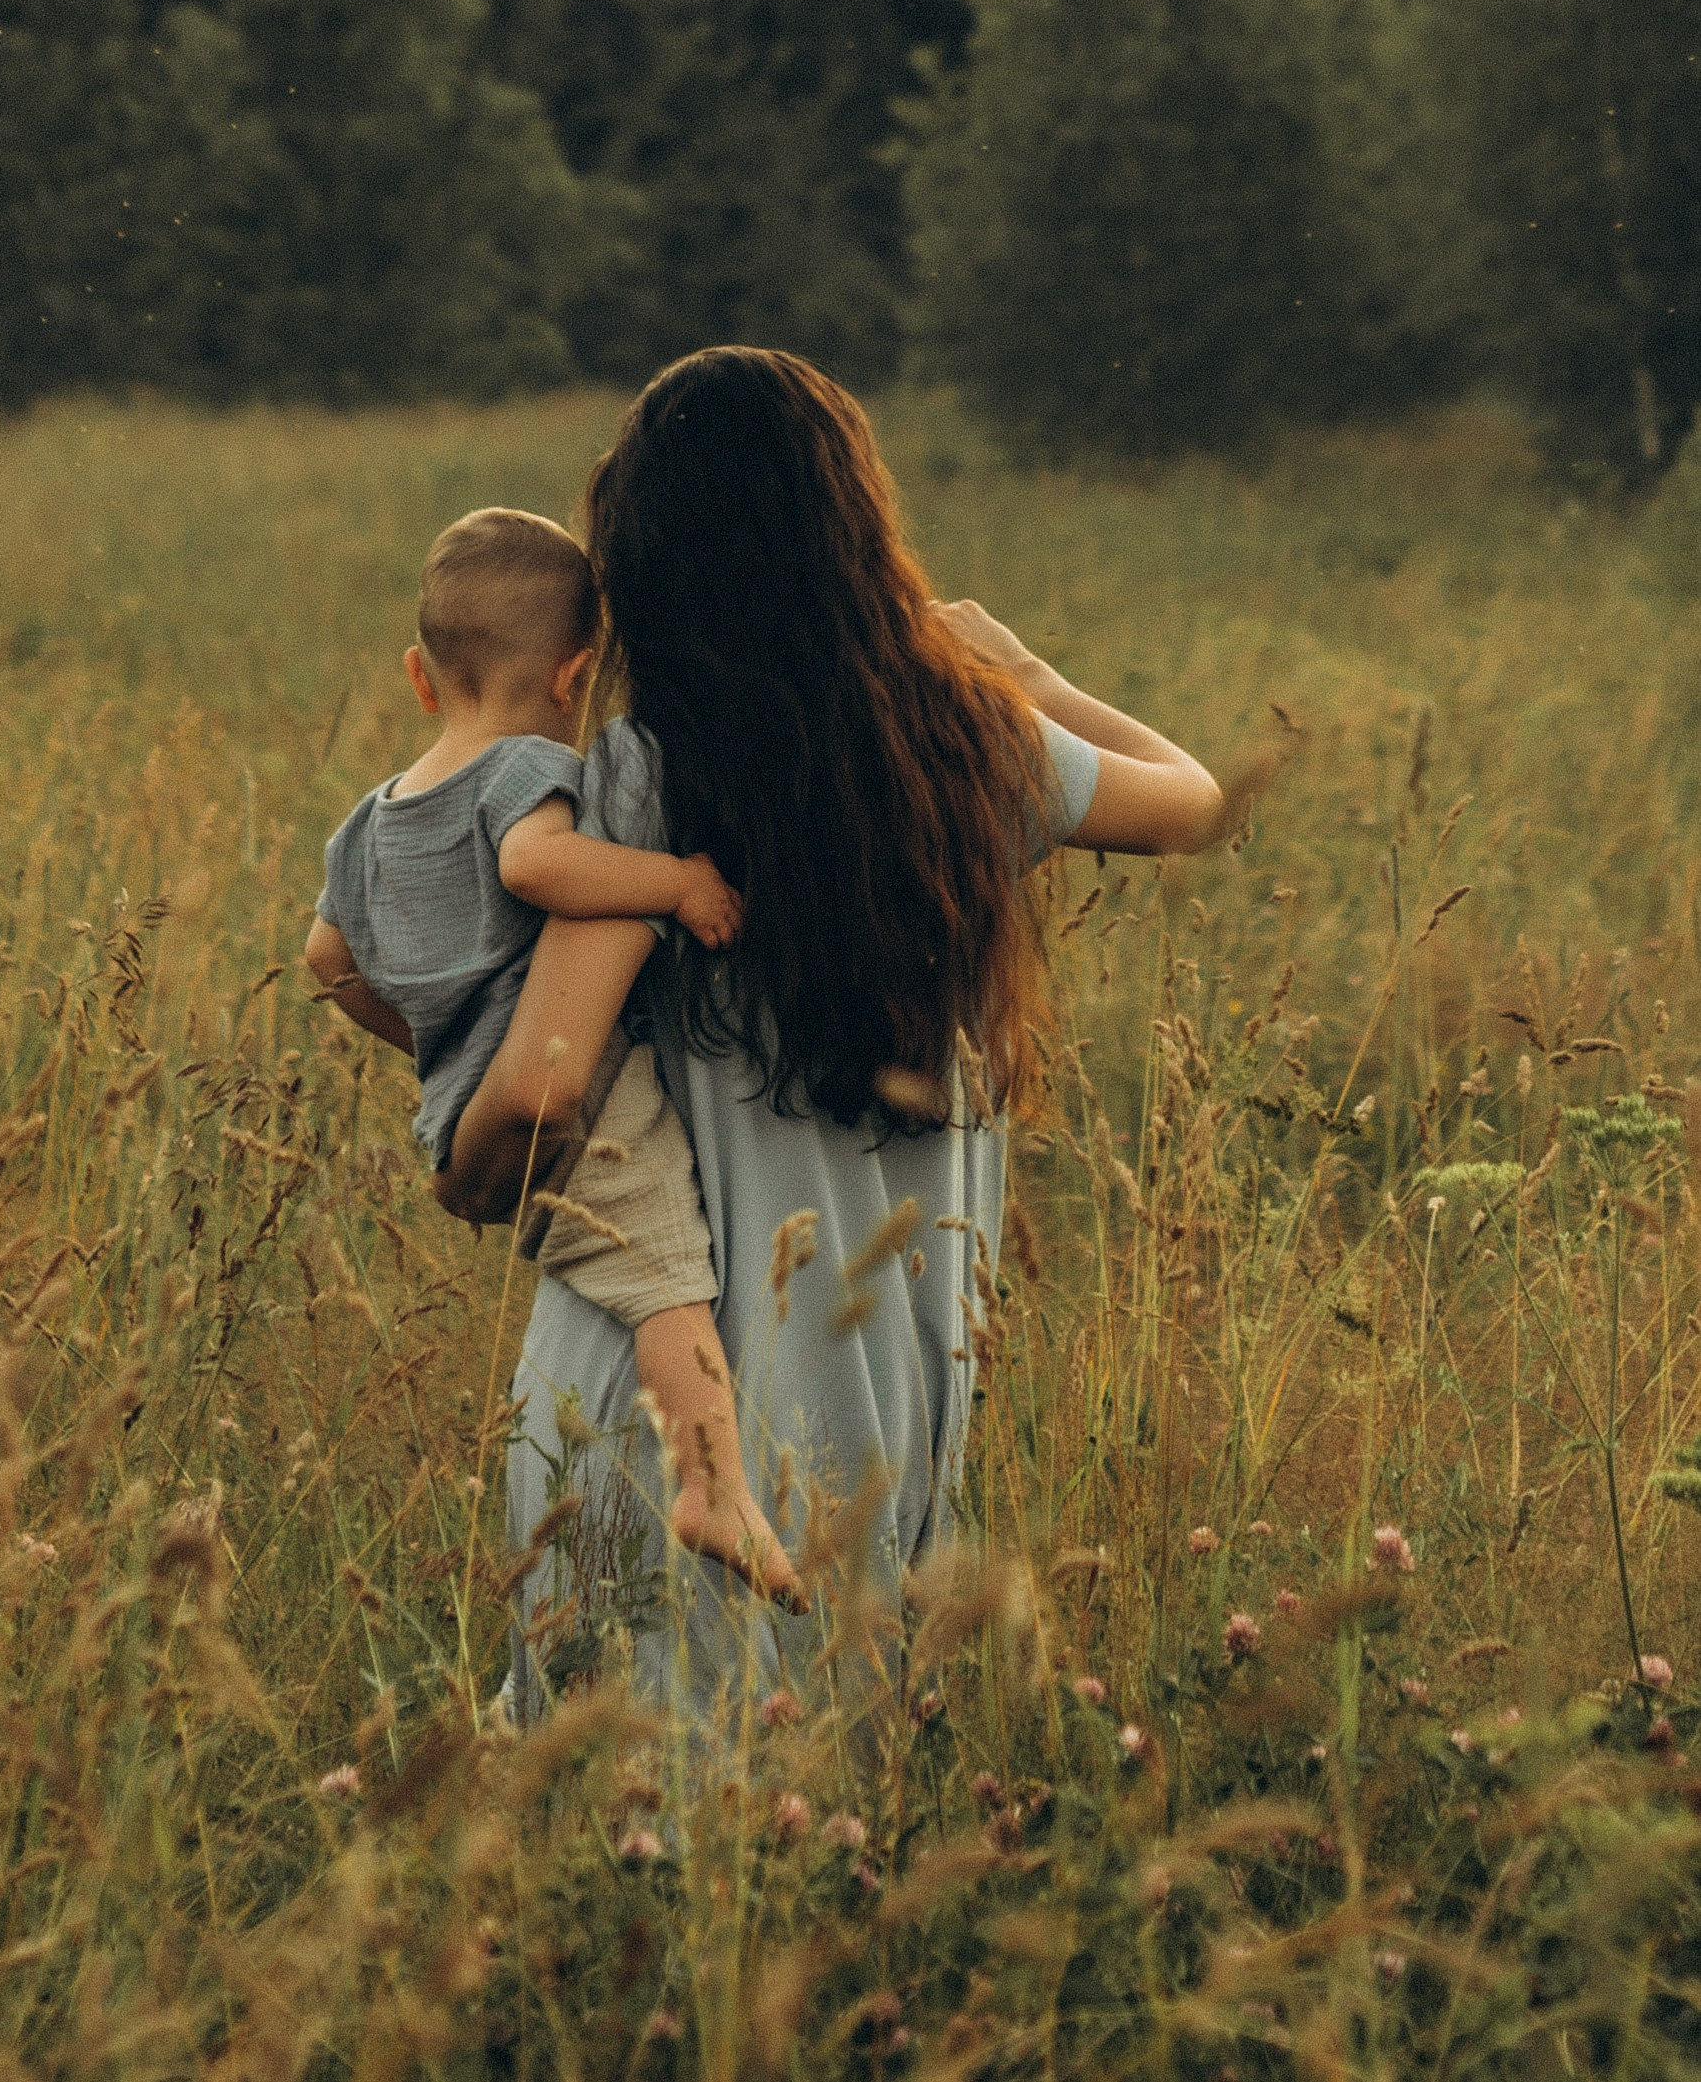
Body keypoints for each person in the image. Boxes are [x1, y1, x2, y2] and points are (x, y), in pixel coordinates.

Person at [430, 350, 1228, 1721]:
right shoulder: (971, 757)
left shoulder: (645, 779)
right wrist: (1021, 669)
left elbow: (545, 1087)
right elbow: (1196, 799)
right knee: (814, 1800)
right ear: (856, 539)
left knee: (597, 1814)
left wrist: (461, 1168)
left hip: (653, 1417)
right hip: (870, 1424)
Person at [305, 505, 803, 1599]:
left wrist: (432, 1037)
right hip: (585, 1104)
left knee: (631, 1281)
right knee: (670, 1281)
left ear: (419, 676)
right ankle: (710, 1485)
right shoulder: (526, 768)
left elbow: (325, 958)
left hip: (462, 1111)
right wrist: (678, 883)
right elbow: (536, 867)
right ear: (576, 675)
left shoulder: (367, 822)